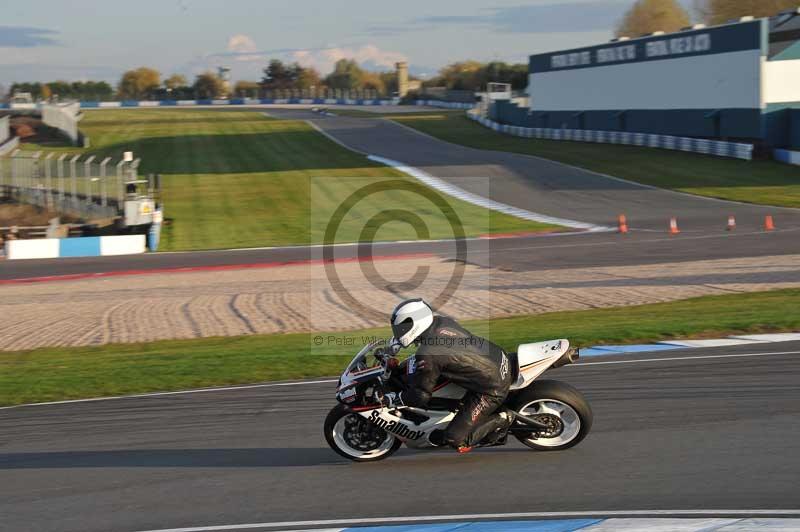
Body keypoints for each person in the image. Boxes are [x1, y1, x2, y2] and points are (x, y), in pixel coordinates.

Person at [384, 298, 513, 453]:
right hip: (497, 357)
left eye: (402, 328)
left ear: (415, 323)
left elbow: (420, 396)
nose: (399, 332)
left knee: (455, 439)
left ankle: (503, 418)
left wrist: (394, 399)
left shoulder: (428, 354)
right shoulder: (441, 322)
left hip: (492, 388)